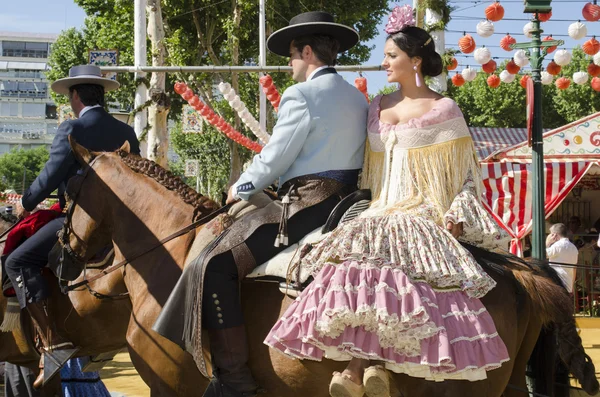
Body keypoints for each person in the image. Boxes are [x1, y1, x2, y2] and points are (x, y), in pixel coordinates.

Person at [264, 5, 511, 397]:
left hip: (422, 209)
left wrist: (455, 214)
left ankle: (358, 366)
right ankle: (368, 364)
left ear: (415, 61)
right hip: (378, 205)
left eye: (391, 56)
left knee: (392, 256)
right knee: (351, 259)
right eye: (384, 56)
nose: (383, 63)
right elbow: (365, 166)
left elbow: (467, 175)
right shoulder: (376, 107)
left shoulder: (444, 110)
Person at [153, 11, 368, 397]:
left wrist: (242, 186)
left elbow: (276, 156)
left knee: (214, 263)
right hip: (346, 199)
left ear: (306, 51)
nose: (289, 65)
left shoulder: (300, 94)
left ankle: (234, 381)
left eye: (291, 55)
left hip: (308, 202)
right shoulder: (357, 96)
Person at [4, 65, 140, 389]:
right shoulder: (128, 133)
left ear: (75, 95)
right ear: (101, 96)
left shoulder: (73, 128)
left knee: (16, 260)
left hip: (81, 225)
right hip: (125, 228)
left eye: (69, 96)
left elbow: (50, 176)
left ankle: (52, 341)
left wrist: (25, 202)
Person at [546, 223, 579, 293]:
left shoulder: (557, 246)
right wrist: (572, 286)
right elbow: (574, 268)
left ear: (554, 235)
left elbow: (542, 255)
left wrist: (547, 242)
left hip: (557, 284)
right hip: (568, 285)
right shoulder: (574, 247)